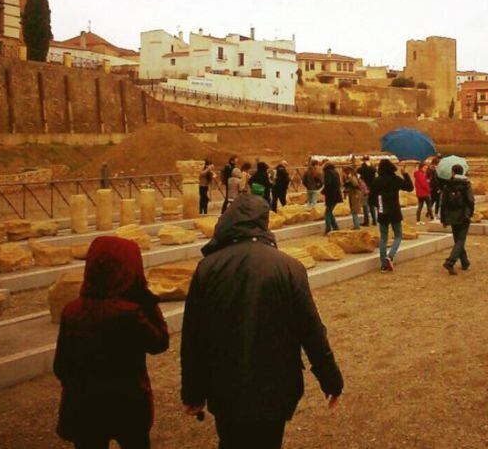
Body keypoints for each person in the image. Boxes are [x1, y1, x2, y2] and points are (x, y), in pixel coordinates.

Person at [180, 195, 343, 449]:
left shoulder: (207, 268)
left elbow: (193, 337)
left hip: (224, 384)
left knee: (230, 440)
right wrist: (330, 378)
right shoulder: (289, 267)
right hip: (275, 385)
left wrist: (192, 391)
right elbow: (310, 329)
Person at [55, 236, 170, 449]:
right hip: (127, 405)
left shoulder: (71, 311)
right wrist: (147, 298)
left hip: (83, 406)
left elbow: (61, 366)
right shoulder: (129, 314)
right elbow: (160, 343)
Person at [370, 159, 414, 271]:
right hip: (394, 210)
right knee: (398, 235)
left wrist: (379, 206)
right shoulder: (395, 179)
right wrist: (405, 174)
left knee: (383, 238)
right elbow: (409, 188)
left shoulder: (377, 180)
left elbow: (371, 199)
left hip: (382, 210)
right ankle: (390, 256)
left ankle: (383, 264)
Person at [440, 164, 475, 275]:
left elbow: (443, 203)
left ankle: (465, 263)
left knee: (458, 240)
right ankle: (450, 262)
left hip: (451, 216)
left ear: (453, 172)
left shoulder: (448, 185)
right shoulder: (466, 185)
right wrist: (470, 213)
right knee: (461, 240)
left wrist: (443, 219)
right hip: (463, 215)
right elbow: (471, 201)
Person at [321, 162, 342, 234]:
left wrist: (323, 191)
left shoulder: (328, 173)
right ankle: (336, 227)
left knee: (327, 213)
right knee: (330, 212)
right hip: (336, 195)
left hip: (331, 195)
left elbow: (328, 184)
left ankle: (328, 228)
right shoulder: (336, 172)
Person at [358, 156, 377, 226]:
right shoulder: (372, 168)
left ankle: (366, 221)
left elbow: (358, 176)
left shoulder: (361, 168)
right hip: (372, 188)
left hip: (365, 188)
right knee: (372, 205)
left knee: (365, 205)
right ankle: (374, 220)